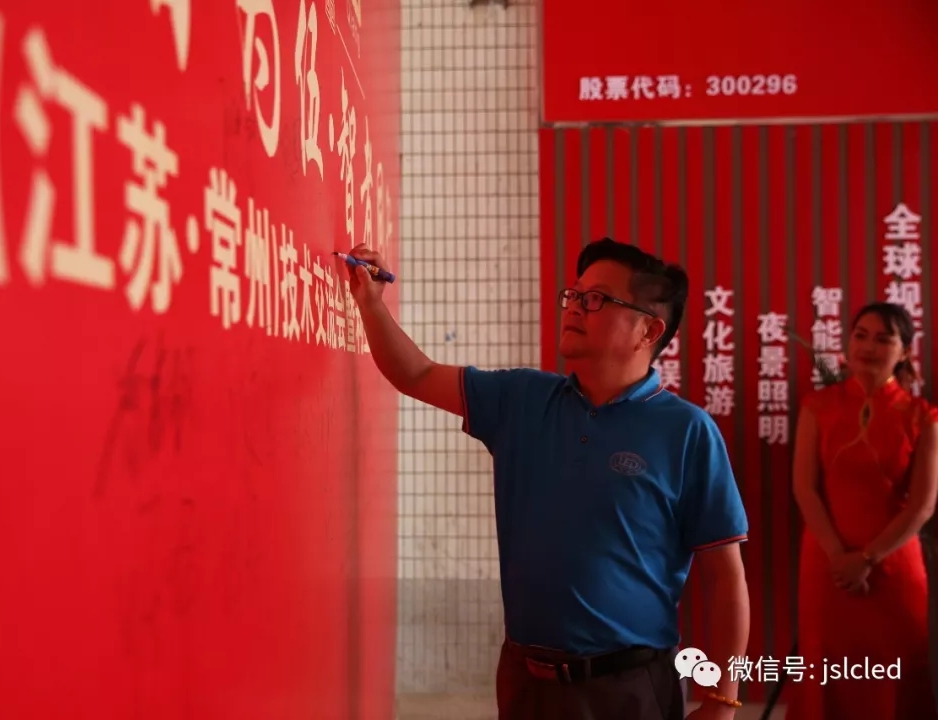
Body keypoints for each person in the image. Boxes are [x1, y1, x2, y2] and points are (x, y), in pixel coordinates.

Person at [346, 238, 749, 720]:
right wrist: (371, 302)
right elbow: (415, 373)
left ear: (649, 329)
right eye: (573, 295)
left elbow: (725, 577)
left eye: (596, 299)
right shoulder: (521, 399)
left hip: (629, 689)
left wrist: (722, 699)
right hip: (525, 684)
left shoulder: (686, 431)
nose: (574, 307)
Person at [788, 302, 938, 720]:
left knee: (896, 673)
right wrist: (839, 556)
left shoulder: (922, 416)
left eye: (884, 339)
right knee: (827, 670)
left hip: (893, 565)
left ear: (905, 351)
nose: (869, 347)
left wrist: (868, 558)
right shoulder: (818, 406)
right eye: (861, 335)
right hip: (827, 562)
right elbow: (804, 488)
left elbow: (923, 504)